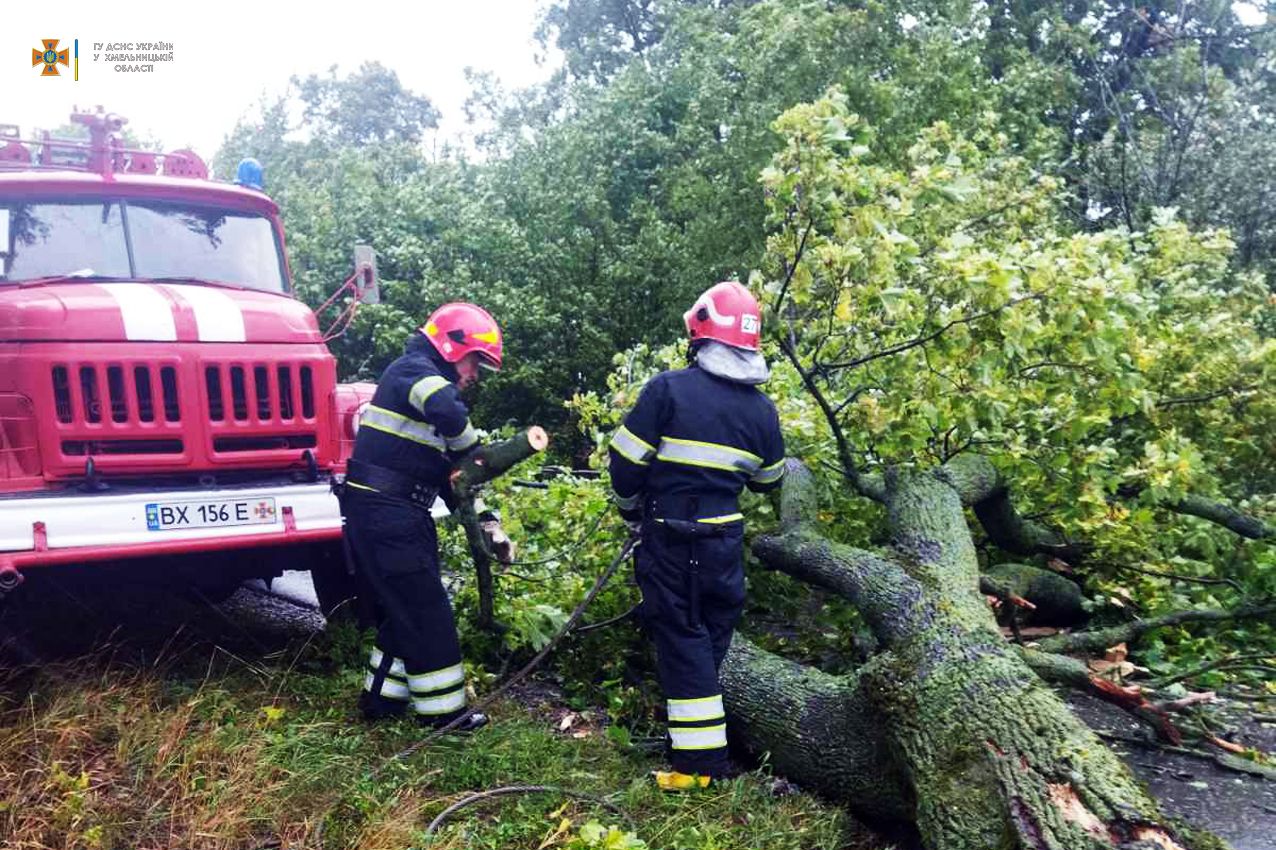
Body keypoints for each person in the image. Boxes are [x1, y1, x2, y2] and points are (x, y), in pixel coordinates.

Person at [608, 281, 786, 789]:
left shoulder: (668, 389)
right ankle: (691, 740)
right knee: (708, 636)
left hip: (672, 532)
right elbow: (768, 479)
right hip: (725, 538)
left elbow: (624, 461)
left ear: (699, 331)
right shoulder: (763, 411)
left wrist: (630, 510)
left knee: (681, 637)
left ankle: (701, 766)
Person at [341, 302, 507, 730]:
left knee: (405, 607)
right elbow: (449, 411)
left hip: (393, 511)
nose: (474, 375)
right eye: (475, 362)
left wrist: (489, 522)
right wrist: (476, 452)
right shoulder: (413, 372)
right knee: (427, 609)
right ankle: (445, 716)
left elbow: (454, 481)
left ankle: (380, 701)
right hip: (387, 511)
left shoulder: (425, 394)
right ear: (453, 347)